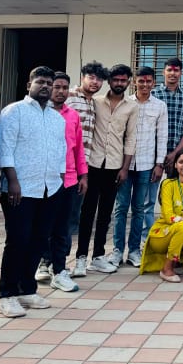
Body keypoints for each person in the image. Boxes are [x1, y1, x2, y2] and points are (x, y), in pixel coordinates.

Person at [0, 67, 68, 318]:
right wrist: (12, 181)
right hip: (20, 189)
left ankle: (27, 289)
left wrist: (59, 179)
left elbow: (61, 150)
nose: (46, 86)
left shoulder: (57, 118)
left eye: (49, 83)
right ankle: (6, 295)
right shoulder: (14, 111)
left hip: (49, 188)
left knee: (39, 240)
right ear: (29, 85)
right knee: (18, 240)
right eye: (40, 82)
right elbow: (4, 148)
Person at [74, 64, 137, 276]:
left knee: (105, 214)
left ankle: (98, 257)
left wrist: (125, 168)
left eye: (123, 80)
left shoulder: (132, 107)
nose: (119, 83)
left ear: (129, 82)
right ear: (109, 81)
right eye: (115, 80)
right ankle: (81, 257)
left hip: (114, 166)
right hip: (92, 164)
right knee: (87, 213)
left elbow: (130, 138)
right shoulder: (95, 102)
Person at [34, 71, 87, 293]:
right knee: (44, 225)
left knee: (64, 228)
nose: (61, 91)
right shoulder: (38, 113)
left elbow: (78, 148)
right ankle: (43, 262)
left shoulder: (73, 115)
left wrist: (83, 175)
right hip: (45, 180)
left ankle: (60, 269)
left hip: (69, 180)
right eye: (57, 87)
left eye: (65, 87)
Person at [113, 66, 168, 268]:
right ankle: (117, 250)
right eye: (141, 81)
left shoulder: (160, 106)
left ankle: (134, 250)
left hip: (146, 165)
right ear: (134, 82)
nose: (145, 85)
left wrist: (159, 164)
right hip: (124, 165)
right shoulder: (125, 103)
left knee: (140, 209)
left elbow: (162, 136)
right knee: (120, 208)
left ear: (154, 83)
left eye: (148, 81)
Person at [65, 62, 107, 277]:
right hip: (64, 167)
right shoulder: (69, 97)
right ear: (82, 77)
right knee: (59, 217)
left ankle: (60, 263)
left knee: (73, 217)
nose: (95, 82)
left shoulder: (93, 102)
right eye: (91, 77)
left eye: (99, 79)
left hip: (83, 168)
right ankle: (47, 262)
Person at [141, 147, 183, 282]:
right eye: (181, 162)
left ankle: (177, 261)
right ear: (175, 165)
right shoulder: (168, 184)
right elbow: (169, 216)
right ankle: (167, 269)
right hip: (161, 234)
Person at [152, 57, 183, 161]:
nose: (172, 73)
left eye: (176, 70)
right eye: (169, 70)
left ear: (181, 73)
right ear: (163, 72)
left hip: (178, 154)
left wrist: (176, 153)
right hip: (153, 153)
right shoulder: (153, 94)